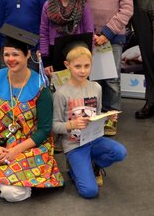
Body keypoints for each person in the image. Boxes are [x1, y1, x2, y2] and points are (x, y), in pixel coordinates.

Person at [0, 24, 63, 202]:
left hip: (27, 146)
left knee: (11, 193)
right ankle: (1, 179)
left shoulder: (40, 85)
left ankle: (9, 183)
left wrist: (15, 151)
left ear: (27, 55)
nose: (10, 59)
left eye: (16, 54)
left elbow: (44, 129)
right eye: (7, 54)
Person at [51, 34, 127, 199]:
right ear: (67, 65)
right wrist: (71, 125)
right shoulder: (61, 94)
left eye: (87, 66)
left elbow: (96, 115)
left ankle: (94, 164)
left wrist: (107, 118)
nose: (83, 70)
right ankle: (74, 167)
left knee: (120, 152)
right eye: (78, 66)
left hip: (94, 139)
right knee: (89, 191)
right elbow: (54, 125)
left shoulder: (96, 88)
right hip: (74, 145)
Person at [78, 0, 133, 135]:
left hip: (113, 38)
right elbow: (81, 6)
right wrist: (91, 32)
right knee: (91, 78)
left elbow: (126, 9)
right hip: (91, 37)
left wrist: (107, 33)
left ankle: (111, 117)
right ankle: (92, 115)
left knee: (111, 80)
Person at [39, 0, 94, 72]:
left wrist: (88, 55)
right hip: (54, 51)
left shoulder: (83, 6)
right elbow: (44, 32)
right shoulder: (48, 5)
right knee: (57, 82)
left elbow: (89, 31)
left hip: (78, 51)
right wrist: (46, 59)